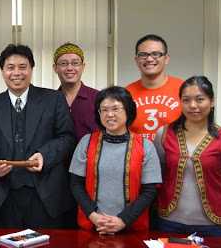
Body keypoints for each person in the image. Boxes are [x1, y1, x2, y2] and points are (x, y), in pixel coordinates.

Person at [0, 44, 76, 228]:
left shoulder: (53, 99)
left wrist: (44, 155)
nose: (16, 72)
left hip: (46, 195)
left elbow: (67, 137)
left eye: (22, 67)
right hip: (6, 195)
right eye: (10, 67)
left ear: (32, 68)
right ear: (2, 71)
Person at [154, 76, 221, 237]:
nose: (193, 106)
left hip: (211, 224)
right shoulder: (164, 134)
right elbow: (160, 173)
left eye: (200, 99)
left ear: (212, 101)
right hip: (169, 221)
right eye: (186, 100)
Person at [69, 86, 162, 233]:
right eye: (104, 110)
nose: (109, 114)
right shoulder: (86, 142)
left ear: (128, 110)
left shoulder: (145, 146)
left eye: (116, 109)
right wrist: (93, 216)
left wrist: (123, 220)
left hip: (131, 227)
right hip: (93, 225)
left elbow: (150, 191)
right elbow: (76, 184)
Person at [126, 34, 182, 141]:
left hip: (173, 156)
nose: (149, 59)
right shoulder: (126, 94)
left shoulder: (184, 90)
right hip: (137, 155)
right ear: (136, 60)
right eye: (143, 54)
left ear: (166, 59)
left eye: (156, 54)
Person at [53, 42, 99, 141]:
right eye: (64, 63)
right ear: (55, 68)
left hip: (90, 156)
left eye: (75, 63)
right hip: (58, 156)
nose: (70, 68)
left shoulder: (98, 98)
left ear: (83, 67)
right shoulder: (49, 101)